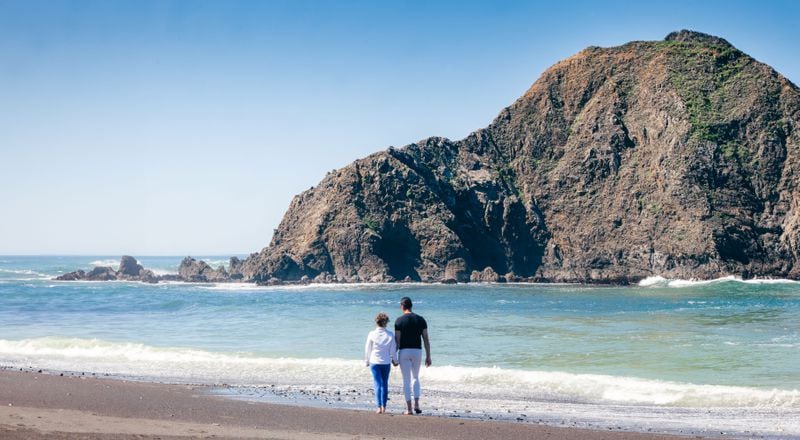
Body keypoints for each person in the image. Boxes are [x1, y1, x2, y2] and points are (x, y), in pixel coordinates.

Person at [394, 296, 431, 415]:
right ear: (411, 306)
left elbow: (397, 341)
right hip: (417, 351)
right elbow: (426, 339)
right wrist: (428, 355)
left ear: (402, 306)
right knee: (415, 377)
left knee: (406, 380)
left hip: (404, 351)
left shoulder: (399, 321)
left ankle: (409, 409)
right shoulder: (421, 319)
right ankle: (417, 404)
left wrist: (394, 357)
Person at [364, 312, 397, 414]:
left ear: (376, 322)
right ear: (385, 322)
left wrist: (367, 361)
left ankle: (379, 407)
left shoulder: (371, 334)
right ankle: (384, 407)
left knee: (377, 384)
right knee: (385, 384)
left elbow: (367, 349)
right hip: (386, 362)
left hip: (374, 362)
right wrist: (395, 361)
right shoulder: (390, 335)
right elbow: (393, 350)